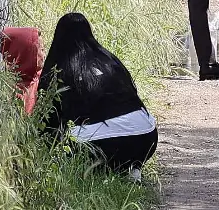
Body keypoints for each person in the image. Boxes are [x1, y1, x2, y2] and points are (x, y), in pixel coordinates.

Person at [40, 13, 159, 178]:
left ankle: (109, 168)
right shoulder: (109, 60)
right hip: (146, 137)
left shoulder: (62, 69)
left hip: (100, 145)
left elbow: (48, 117)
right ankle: (132, 167)